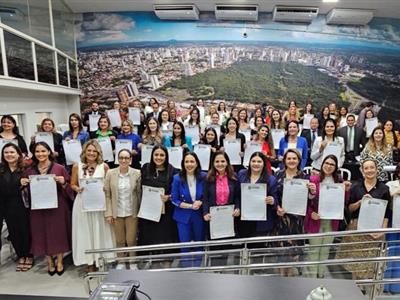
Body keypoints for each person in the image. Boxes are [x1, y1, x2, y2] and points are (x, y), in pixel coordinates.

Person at [21, 142, 72, 276]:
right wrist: (23, 185)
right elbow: (24, 194)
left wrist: (63, 182)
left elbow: (70, 189)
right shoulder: (29, 171)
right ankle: (49, 260)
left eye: (43, 151)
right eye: (37, 151)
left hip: (57, 206)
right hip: (38, 207)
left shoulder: (59, 168)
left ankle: (60, 260)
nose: (40, 154)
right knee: (41, 233)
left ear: (49, 152)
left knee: (58, 233)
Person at [336, 159, 391, 280]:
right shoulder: (356, 187)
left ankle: (369, 291)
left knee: (372, 263)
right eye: (366, 168)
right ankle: (357, 288)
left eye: (372, 167)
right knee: (355, 262)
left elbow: (387, 213)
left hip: (375, 229)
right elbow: (349, 209)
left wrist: (382, 230)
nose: (369, 170)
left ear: (377, 169)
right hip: (357, 228)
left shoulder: (384, 189)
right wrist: (360, 202)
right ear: (362, 171)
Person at [70, 140, 114, 272]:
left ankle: (101, 258)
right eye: (89, 150)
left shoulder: (104, 167)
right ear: (84, 151)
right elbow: (72, 184)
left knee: (100, 229)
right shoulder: (77, 166)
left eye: (94, 151)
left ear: (98, 152)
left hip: (100, 204)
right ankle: (89, 261)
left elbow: (109, 184)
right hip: (83, 203)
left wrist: (106, 189)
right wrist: (77, 189)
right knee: (86, 231)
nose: (91, 153)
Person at [305, 155, 351, 278]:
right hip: (316, 220)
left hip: (332, 221)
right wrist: (311, 213)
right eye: (327, 163)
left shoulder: (340, 181)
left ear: (336, 167)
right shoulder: (313, 179)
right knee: (314, 251)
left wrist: (346, 190)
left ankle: (321, 276)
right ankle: (312, 277)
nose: (329, 166)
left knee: (325, 251)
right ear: (322, 164)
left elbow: (344, 202)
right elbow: (306, 202)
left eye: (332, 164)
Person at [274, 149, 316, 277]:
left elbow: (309, 200)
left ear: (298, 160)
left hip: (297, 220)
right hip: (281, 218)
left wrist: (312, 193)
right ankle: (282, 278)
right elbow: (273, 195)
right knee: (281, 252)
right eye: (289, 158)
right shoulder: (278, 175)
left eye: (294, 158)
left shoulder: (305, 177)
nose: (291, 161)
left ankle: (290, 279)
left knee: (294, 252)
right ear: (284, 160)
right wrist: (276, 207)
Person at [138, 145, 178, 260]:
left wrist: (169, 197)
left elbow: (176, 193)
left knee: (163, 240)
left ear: (166, 156)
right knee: (148, 239)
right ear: (152, 156)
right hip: (148, 213)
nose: (159, 157)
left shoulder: (172, 171)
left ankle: (164, 263)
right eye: (156, 155)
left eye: (162, 155)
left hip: (164, 214)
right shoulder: (145, 168)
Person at [104, 149, 141, 264]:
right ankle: (120, 262)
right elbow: (107, 195)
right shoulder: (110, 173)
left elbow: (139, 193)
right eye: (121, 158)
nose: (123, 160)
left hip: (132, 212)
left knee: (131, 240)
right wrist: (108, 213)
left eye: (126, 158)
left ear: (130, 160)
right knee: (119, 240)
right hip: (116, 212)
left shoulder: (137, 173)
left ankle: (132, 262)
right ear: (117, 159)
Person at [0, 143, 32, 272]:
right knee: (13, 232)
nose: (9, 155)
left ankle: (29, 255)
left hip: (23, 205)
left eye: (12, 152)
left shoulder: (26, 169)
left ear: (18, 154)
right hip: (6, 205)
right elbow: (3, 190)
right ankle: (21, 255)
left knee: (25, 230)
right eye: (6, 152)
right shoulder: (1, 169)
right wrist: (18, 185)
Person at [171, 152, 206, 267]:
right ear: (183, 163)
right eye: (186, 161)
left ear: (197, 163)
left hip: (199, 215)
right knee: (184, 244)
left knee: (199, 243)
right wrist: (190, 206)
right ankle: (185, 269)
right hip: (182, 216)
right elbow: (174, 199)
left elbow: (208, 195)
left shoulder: (203, 176)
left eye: (192, 161)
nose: (189, 164)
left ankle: (198, 268)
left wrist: (200, 202)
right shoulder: (177, 178)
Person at [237, 152, 277, 239]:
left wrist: (272, 200)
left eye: (259, 161)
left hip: (261, 220)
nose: (256, 164)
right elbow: (236, 195)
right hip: (244, 218)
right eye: (253, 161)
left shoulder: (271, 179)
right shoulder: (241, 174)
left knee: (258, 247)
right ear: (249, 162)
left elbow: (276, 200)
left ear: (264, 164)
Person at [202, 151, 240, 240]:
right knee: (215, 245)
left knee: (228, 244)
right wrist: (205, 212)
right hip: (214, 216)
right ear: (213, 163)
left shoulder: (234, 177)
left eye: (223, 161)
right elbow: (205, 198)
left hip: (229, 216)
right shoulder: (208, 178)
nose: (220, 164)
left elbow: (237, 196)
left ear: (227, 162)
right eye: (217, 161)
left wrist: (237, 208)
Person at [384, 163, 400, 293]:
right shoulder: (390, 185)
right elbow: (384, 201)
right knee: (390, 254)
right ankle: (385, 285)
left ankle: (397, 287)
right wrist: (396, 193)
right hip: (393, 225)